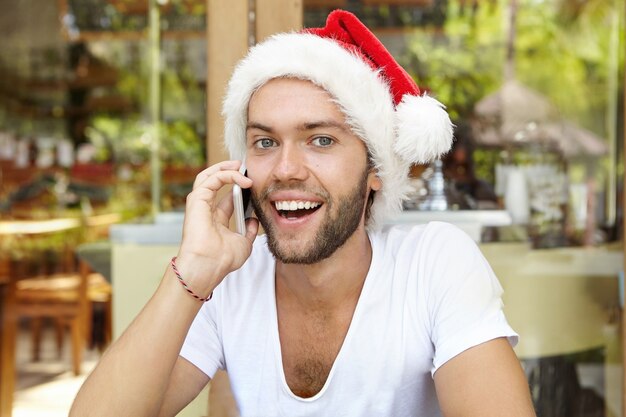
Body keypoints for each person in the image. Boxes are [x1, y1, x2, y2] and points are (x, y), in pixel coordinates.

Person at [71, 10, 536, 417]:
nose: (287, 170)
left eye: (321, 140)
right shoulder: (227, 282)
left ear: (376, 168)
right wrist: (192, 272)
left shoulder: (434, 264)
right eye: (266, 142)